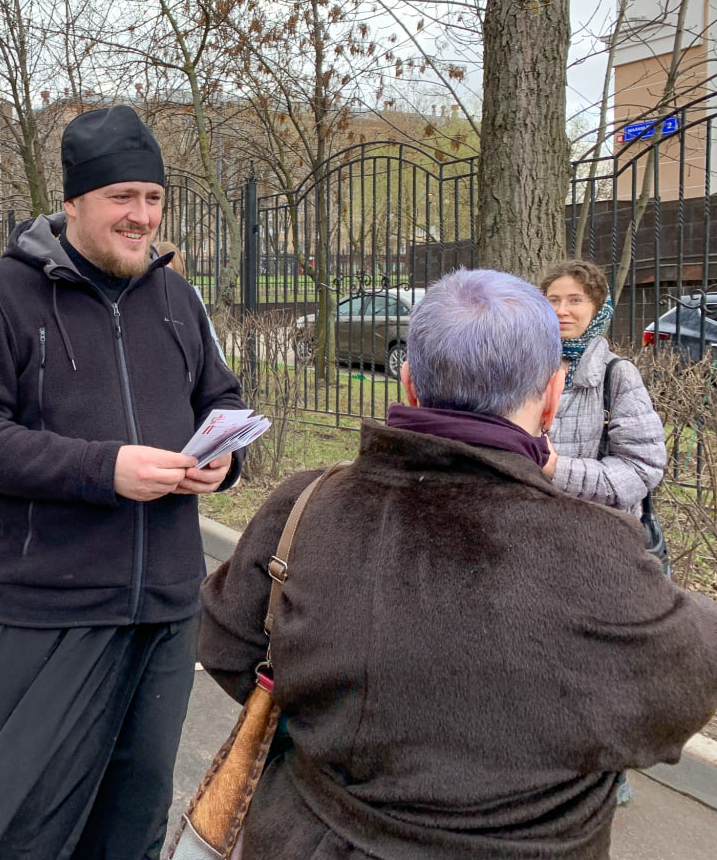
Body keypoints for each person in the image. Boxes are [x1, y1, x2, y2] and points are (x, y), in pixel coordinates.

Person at [197, 268, 717, 860]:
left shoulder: (305, 505)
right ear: (552, 396)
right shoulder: (600, 552)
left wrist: (333, 734)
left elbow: (227, 645)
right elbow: (679, 697)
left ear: (408, 384)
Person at [0, 105, 247, 860]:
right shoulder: (6, 294)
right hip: (51, 608)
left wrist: (225, 458)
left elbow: (220, 397)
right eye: (122, 197)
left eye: (153, 198)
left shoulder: (177, 298)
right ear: (74, 202)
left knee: (133, 820)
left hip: (166, 608)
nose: (141, 216)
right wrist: (103, 468)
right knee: (12, 824)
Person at [539, 259, 666, 515]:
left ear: (598, 309)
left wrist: (556, 468)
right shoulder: (521, 368)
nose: (561, 310)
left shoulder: (617, 374)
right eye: (553, 300)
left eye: (575, 300)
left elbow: (641, 470)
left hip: (597, 527)